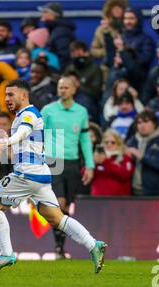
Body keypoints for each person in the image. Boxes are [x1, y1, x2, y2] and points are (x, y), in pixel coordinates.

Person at [0, 79, 107, 273]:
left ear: (24, 95)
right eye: (5, 95)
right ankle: (93, 245)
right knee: (56, 218)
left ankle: (6, 254)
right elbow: (23, 141)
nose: (7, 99)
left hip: (26, 174)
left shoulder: (29, 113)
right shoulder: (23, 114)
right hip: (41, 175)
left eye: (11, 95)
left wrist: (8, 141)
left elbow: (22, 133)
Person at [41, 76, 95, 259]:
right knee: (60, 202)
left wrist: (90, 165)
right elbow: (39, 136)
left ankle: (60, 246)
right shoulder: (48, 111)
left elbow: (85, 139)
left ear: (74, 90)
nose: (62, 90)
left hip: (72, 162)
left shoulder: (81, 112)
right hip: (52, 161)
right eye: (60, 87)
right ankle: (58, 247)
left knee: (67, 206)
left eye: (65, 87)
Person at [126, 109, 159, 196]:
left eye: (146, 122)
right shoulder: (132, 141)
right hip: (133, 191)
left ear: (154, 124)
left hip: (156, 193)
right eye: (139, 122)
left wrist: (142, 157)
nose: (142, 125)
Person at [91, 129, 134, 196]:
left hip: (118, 201)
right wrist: (92, 163)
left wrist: (105, 161)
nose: (109, 144)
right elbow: (85, 175)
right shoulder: (96, 157)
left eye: (113, 142)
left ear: (119, 144)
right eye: (106, 142)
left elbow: (124, 175)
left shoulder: (125, 158)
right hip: (98, 200)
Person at [38, 2, 76, 70]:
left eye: (45, 12)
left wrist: (61, 74)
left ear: (54, 14)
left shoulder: (61, 31)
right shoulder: (55, 30)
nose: (42, 14)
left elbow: (65, 56)